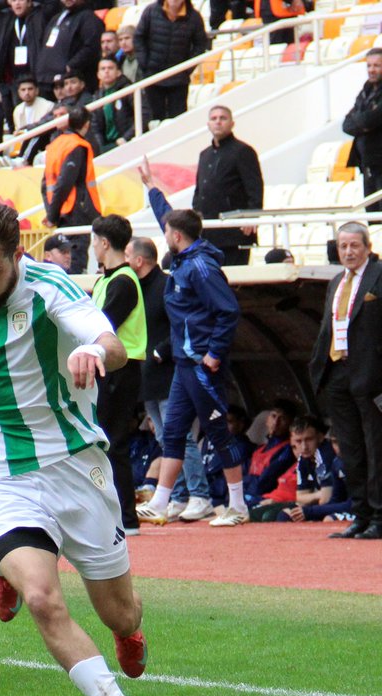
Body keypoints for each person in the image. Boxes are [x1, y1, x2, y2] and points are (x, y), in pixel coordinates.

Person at [0, 200, 159, 696]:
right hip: (0, 473)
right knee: (41, 596)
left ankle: (126, 632)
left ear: (16, 256)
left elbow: (109, 342)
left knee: (120, 614)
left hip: (76, 467)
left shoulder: (50, 285)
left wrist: (88, 350)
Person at [136, 161, 248, 527]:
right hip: (184, 364)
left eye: (167, 231)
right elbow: (167, 216)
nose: (163, 233)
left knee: (216, 431)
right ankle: (161, 501)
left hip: (201, 364)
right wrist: (152, 187)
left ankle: (237, 506)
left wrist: (214, 354)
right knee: (172, 431)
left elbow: (228, 311)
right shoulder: (184, 253)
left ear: (177, 237)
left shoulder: (200, 268)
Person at [128, 236, 211, 521]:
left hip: (167, 373)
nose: (124, 261)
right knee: (164, 436)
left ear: (139, 260)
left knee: (180, 436)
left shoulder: (165, 286)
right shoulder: (136, 288)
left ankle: (200, 495)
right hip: (146, 376)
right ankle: (177, 496)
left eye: (128, 255)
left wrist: (161, 352)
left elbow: (181, 324)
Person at [309, 221, 382, 538]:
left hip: (372, 374)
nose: (349, 251)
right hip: (337, 371)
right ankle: (361, 514)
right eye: (343, 246)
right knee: (350, 449)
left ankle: (379, 516)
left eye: (355, 245)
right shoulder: (336, 281)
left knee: (376, 447)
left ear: (367, 246)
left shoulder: (379, 276)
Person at [90, 214, 146, 535]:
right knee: (104, 440)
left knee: (114, 442)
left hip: (120, 370)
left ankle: (127, 518)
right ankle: (113, 512)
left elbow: (102, 324)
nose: (93, 247)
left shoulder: (124, 281)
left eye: (95, 241)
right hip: (108, 370)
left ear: (105, 243)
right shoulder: (106, 280)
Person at [192, 106, 263, 266]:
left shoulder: (243, 151)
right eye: (214, 118)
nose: (218, 122)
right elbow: (199, 190)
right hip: (207, 233)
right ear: (208, 124)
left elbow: (255, 188)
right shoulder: (205, 155)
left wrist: (251, 217)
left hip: (234, 233)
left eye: (223, 118)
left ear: (232, 123)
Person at [42, 106, 101, 273]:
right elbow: (65, 183)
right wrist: (52, 215)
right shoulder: (77, 145)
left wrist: (51, 212)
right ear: (87, 124)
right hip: (76, 211)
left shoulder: (54, 145)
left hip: (61, 213)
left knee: (64, 258)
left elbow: (44, 184)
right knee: (75, 259)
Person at [133, 0, 209, 123]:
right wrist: (145, 63)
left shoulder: (194, 17)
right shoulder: (151, 11)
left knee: (178, 120)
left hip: (179, 78)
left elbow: (200, 45)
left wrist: (186, 69)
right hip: (153, 76)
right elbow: (138, 37)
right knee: (154, 120)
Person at [0, 0, 44, 127]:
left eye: (21, 0)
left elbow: (52, 4)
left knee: (36, 117)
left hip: (34, 76)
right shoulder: (6, 18)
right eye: (14, 1)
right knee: (16, 117)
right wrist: (6, 2)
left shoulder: (38, 15)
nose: (17, 3)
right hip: (13, 79)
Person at [35, 0, 103, 97]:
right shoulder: (57, 18)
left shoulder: (88, 18)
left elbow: (91, 47)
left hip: (71, 82)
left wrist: (71, 66)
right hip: (46, 80)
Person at [344, 49, 382, 212]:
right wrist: (364, 122)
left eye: (377, 66)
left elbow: (371, 119)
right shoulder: (366, 90)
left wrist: (362, 120)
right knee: (371, 217)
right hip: (366, 165)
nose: (371, 70)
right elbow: (346, 124)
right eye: (369, 66)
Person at [92, 56, 134, 153]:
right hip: (107, 144)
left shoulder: (128, 90)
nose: (106, 71)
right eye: (103, 69)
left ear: (118, 72)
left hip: (126, 141)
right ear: (98, 74)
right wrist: (100, 146)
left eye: (110, 68)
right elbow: (95, 127)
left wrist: (126, 137)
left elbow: (143, 115)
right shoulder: (97, 96)